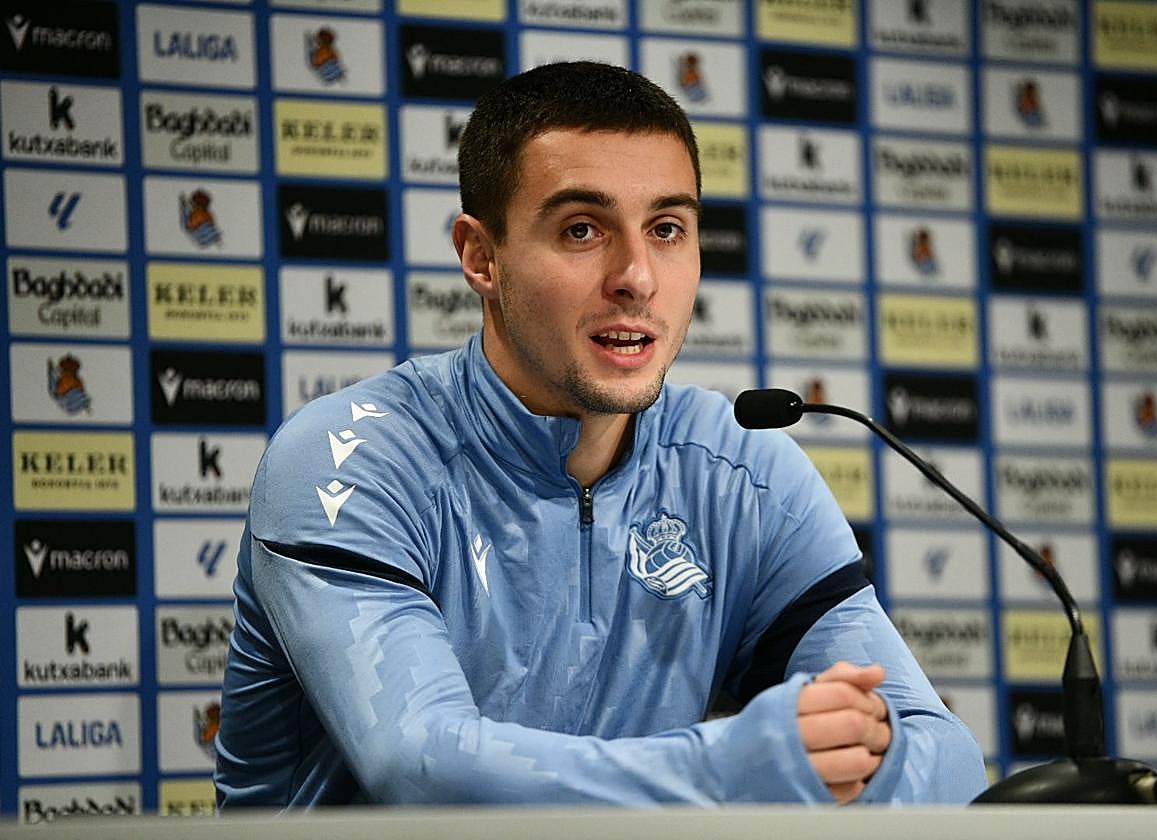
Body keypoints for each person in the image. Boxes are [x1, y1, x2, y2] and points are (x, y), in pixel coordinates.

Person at [216, 61, 986, 808]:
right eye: (582, 230)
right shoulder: (351, 460)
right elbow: (422, 768)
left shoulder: (743, 476)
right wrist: (730, 770)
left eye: (668, 229)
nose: (638, 277)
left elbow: (942, 755)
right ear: (481, 257)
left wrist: (841, 764)